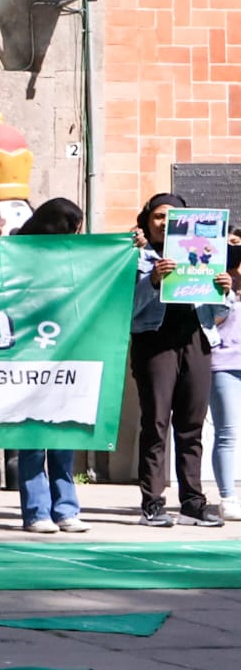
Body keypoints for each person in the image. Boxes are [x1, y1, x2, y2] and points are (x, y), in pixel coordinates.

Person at [130, 192, 228, 527]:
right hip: (154, 343)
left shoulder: (203, 251)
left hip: (196, 340)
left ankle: (192, 503)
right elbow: (126, 308)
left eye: (171, 216)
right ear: (148, 220)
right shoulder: (137, 258)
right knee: (156, 423)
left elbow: (217, 313)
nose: (164, 222)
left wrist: (223, 289)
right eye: (158, 216)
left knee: (192, 425)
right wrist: (153, 280)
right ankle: (153, 503)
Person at [8, 198, 90, 533]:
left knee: (62, 431)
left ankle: (65, 509)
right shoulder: (17, 249)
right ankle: (37, 511)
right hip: (27, 354)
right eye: (75, 226)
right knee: (32, 433)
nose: (78, 233)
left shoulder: (78, 257)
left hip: (66, 353)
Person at [201, 240, 241, 520]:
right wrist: (224, 292)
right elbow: (211, 320)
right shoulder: (215, 281)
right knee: (227, 432)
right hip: (225, 363)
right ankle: (228, 496)